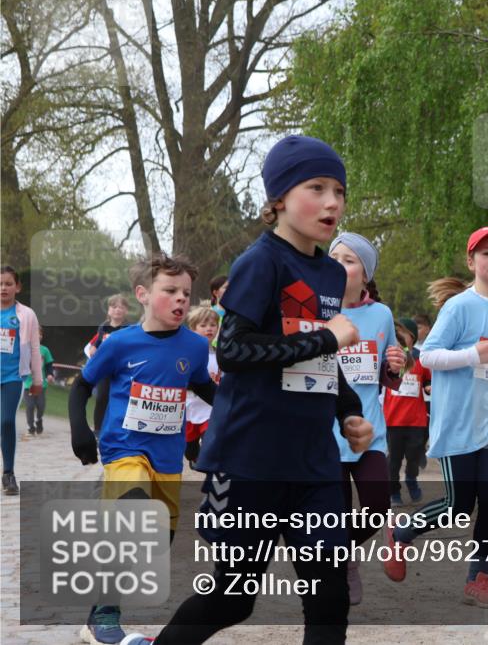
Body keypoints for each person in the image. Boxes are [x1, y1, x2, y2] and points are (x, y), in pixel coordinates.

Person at [120, 135, 374, 645]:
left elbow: (316, 354)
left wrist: (347, 409)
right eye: (317, 188)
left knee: (329, 594)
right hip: (250, 461)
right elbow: (236, 353)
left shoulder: (327, 271)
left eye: (339, 191)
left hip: (313, 462)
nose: (332, 202)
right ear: (279, 198)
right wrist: (329, 336)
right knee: (232, 597)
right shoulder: (260, 262)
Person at [68, 253, 215, 644]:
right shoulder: (120, 343)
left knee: (156, 541)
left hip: (167, 458)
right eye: (170, 291)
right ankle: (105, 617)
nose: (181, 299)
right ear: (143, 295)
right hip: (124, 450)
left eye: (186, 292)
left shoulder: (195, 348)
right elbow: (82, 385)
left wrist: (240, 414)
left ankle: (94, 616)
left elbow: (205, 387)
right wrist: (80, 431)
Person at [382, 226, 488, 610]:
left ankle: (478, 578)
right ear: (471, 262)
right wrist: (472, 355)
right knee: (458, 506)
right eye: (486, 253)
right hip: (457, 422)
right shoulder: (460, 306)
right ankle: (401, 531)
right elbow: (428, 356)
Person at [329, 231, 405, 605]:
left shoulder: (381, 314)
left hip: (369, 429)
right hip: (326, 432)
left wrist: (395, 367)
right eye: (334, 258)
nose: (339, 266)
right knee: (337, 511)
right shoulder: (317, 312)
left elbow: (387, 375)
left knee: (376, 510)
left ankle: (341, 552)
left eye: (349, 260)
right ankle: (345, 565)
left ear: (365, 272)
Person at [0, 265, 42, 496]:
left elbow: (35, 349)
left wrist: (37, 379)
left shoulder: (26, 315)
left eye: (8, 283)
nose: (3, 288)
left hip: (12, 377)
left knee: (6, 422)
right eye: (0, 283)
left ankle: (8, 473)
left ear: (17, 287)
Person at [384, 318, 431, 506]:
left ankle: (411, 479)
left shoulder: (421, 358)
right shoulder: (388, 356)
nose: (397, 336)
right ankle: (393, 491)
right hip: (393, 419)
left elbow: (428, 379)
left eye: (401, 332)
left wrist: (429, 387)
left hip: (416, 420)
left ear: (411, 336)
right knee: (393, 460)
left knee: (414, 457)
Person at [84, 294, 131, 436]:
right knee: (102, 397)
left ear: (126, 311)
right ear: (109, 310)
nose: (117, 310)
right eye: (114, 307)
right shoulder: (103, 327)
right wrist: (93, 347)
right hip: (105, 369)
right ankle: (98, 430)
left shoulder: (128, 328)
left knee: (120, 398)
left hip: (121, 370)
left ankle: (119, 429)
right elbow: (97, 343)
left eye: (121, 307)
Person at [182, 304, 222, 467]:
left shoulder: (221, 354)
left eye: (213, 325)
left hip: (210, 408)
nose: (209, 329)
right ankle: (194, 457)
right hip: (189, 407)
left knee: (211, 441)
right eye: (203, 325)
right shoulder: (186, 354)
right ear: (193, 328)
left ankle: (210, 469)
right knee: (190, 450)